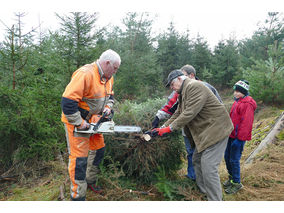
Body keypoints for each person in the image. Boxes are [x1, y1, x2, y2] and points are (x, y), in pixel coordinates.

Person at [152, 69, 234, 201]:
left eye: (172, 85)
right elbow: (178, 113)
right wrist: (160, 128)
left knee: (208, 167)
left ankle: (215, 200)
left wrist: (169, 129)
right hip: (207, 132)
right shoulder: (183, 92)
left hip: (217, 130)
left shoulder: (194, 86)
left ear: (180, 79)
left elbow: (189, 113)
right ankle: (205, 192)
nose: (172, 88)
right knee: (196, 160)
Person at [61, 49, 121, 201]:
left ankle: (90, 181)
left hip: (95, 122)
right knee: (79, 160)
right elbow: (67, 103)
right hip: (77, 123)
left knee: (98, 150)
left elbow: (111, 96)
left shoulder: (108, 78)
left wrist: (108, 107)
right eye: (115, 68)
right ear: (107, 63)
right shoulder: (85, 74)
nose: (115, 71)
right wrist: (79, 123)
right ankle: (78, 196)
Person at [223, 80, 257, 194]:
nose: (235, 93)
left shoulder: (247, 104)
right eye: (235, 91)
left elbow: (246, 123)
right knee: (227, 157)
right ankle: (231, 178)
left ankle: (237, 183)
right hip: (231, 135)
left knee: (234, 160)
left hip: (239, 138)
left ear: (243, 92)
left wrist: (240, 139)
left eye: (238, 91)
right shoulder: (237, 101)